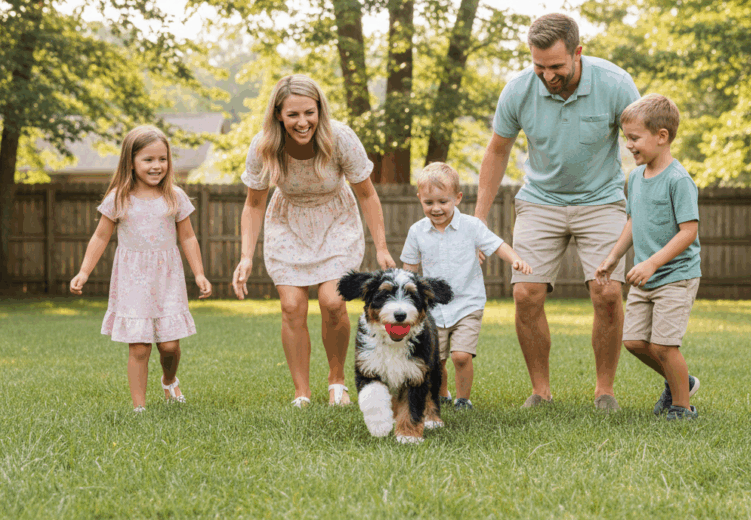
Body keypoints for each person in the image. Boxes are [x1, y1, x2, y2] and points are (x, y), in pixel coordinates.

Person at [474, 13, 641, 411]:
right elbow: (497, 151)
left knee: (607, 293)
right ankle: (541, 391)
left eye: (556, 67)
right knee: (525, 294)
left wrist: (646, 204)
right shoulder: (518, 90)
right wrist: (478, 219)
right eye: (539, 66)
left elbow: (642, 143)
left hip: (601, 200)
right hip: (540, 201)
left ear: (578, 52)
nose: (547, 76)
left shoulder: (616, 84)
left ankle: (605, 391)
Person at [232, 74, 396, 408]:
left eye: (310, 112)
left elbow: (367, 195)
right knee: (292, 307)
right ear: (278, 114)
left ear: (320, 109)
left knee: (333, 302)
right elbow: (253, 204)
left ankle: (336, 382)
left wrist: (381, 246)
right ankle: (301, 392)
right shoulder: (264, 145)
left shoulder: (340, 139)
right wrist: (246, 256)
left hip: (336, 221)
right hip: (288, 223)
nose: (302, 122)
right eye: (293, 114)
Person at [70, 125, 212, 413]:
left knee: (170, 345)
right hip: (133, 279)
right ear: (131, 161)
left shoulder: (175, 196)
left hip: (167, 278)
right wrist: (83, 272)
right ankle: (140, 409)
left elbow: (187, 237)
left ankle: (170, 380)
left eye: (162, 159)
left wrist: (199, 273)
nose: (157, 166)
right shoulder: (118, 198)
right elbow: (100, 236)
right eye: (148, 160)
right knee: (140, 347)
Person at [595, 94, 701, 420]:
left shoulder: (678, 180)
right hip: (645, 276)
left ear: (662, 136)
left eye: (634, 138)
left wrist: (653, 261)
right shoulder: (635, 178)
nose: (628, 145)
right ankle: (680, 381)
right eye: (626, 138)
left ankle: (682, 407)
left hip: (675, 275)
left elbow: (688, 231)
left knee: (665, 347)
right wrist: (614, 257)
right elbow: (633, 221)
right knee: (635, 341)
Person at [401, 163, 532, 411]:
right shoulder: (416, 231)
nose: (436, 208)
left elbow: (497, 244)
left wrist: (515, 258)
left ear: (457, 198)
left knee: (461, 356)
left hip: (467, 303)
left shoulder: (471, 227)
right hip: (433, 308)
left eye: (443, 201)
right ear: (420, 199)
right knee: (436, 359)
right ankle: (442, 394)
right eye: (429, 203)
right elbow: (409, 269)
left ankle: (463, 398)